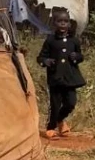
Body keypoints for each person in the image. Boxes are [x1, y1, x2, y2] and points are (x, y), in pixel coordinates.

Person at [36, 9, 85, 138]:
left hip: (70, 78)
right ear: (54, 23)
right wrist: (45, 61)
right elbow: (40, 57)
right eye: (59, 21)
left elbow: (81, 56)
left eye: (66, 21)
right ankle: (51, 127)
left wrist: (77, 56)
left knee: (71, 103)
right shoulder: (50, 40)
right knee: (55, 104)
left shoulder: (74, 41)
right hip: (55, 77)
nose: (63, 24)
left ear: (69, 24)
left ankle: (60, 120)